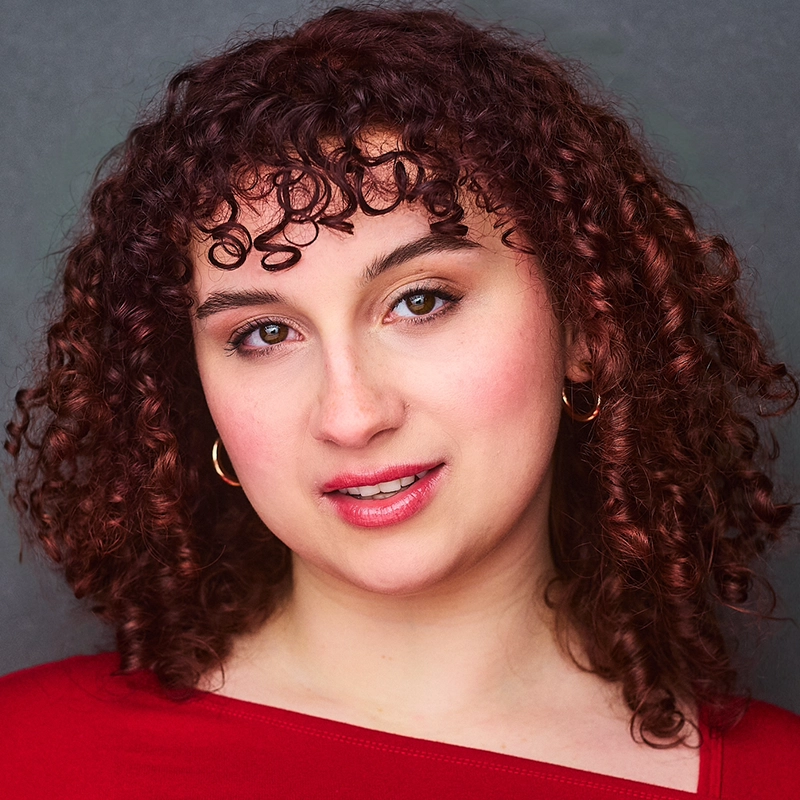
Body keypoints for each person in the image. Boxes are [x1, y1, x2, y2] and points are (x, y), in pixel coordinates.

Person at [1, 5, 798, 798]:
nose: (350, 416)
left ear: (588, 329)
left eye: (420, 302)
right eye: (264, 334)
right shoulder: (26, 758)